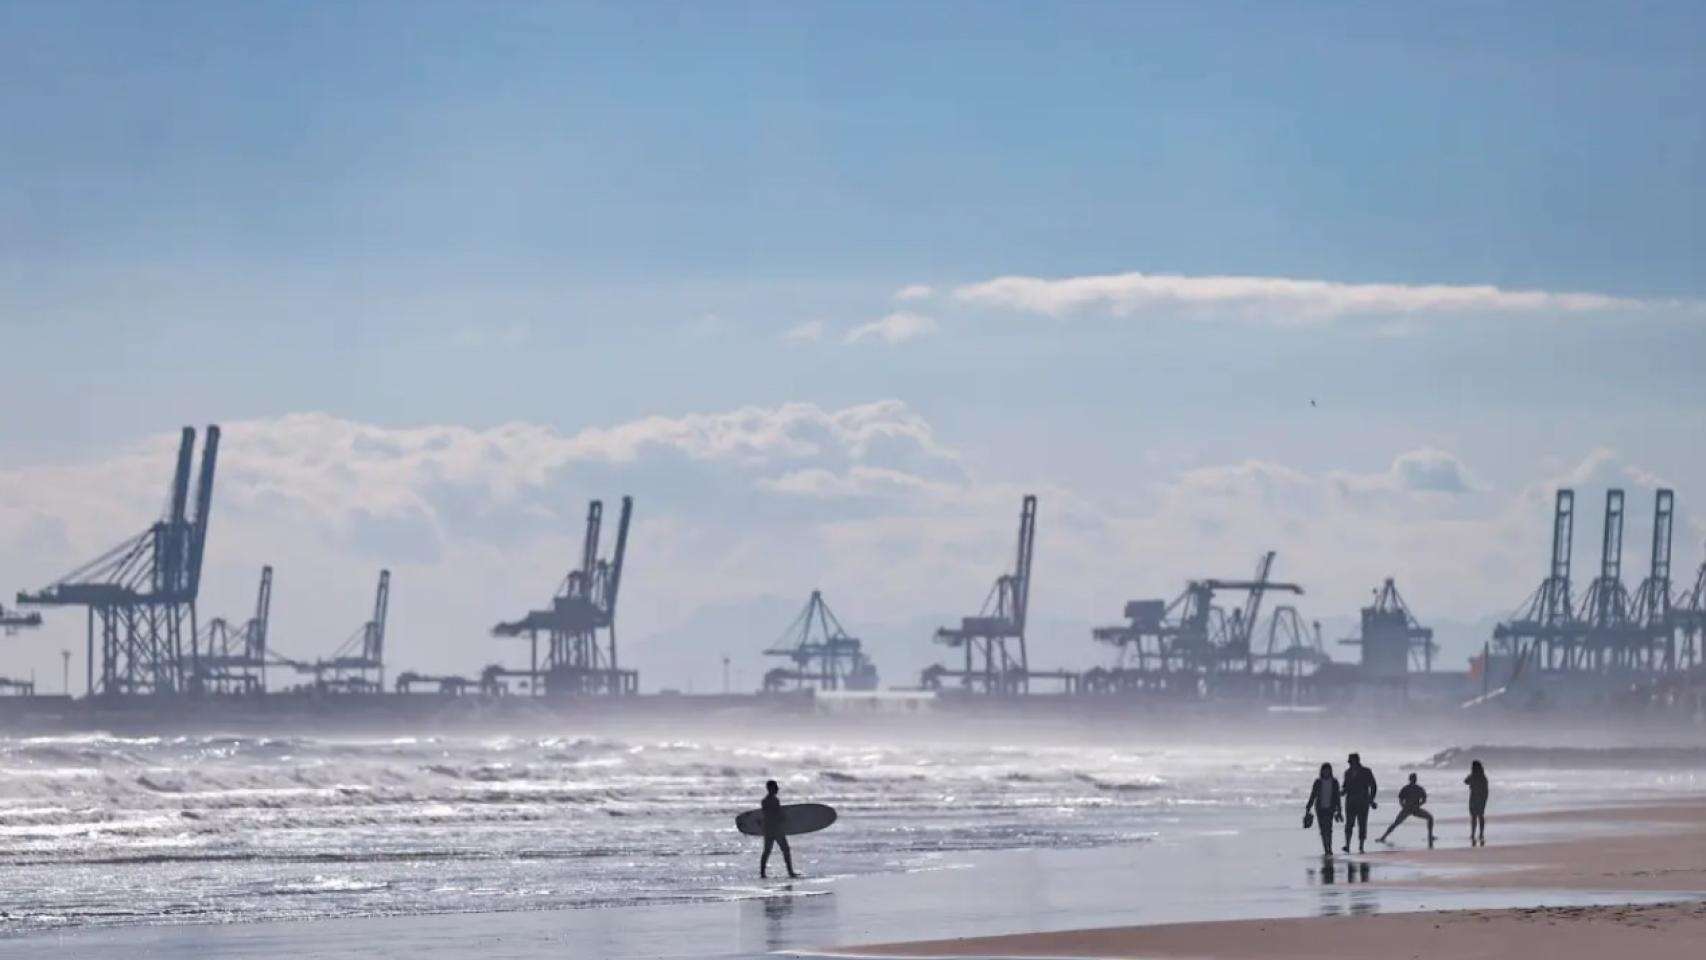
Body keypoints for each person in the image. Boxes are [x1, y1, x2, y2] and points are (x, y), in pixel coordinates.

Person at [1377, 772, 1435, 846]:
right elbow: (1423, 800)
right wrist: (1417, 805)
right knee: (1430, 818)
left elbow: (1401, 800)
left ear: (1409, 779)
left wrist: (1404, 806)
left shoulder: (1407, 788)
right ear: (1415, 779)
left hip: (1408, 809)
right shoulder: (1417, 788)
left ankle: (1383, 837)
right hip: (1413, 809)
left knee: (1396, 823)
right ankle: (1430, 836)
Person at [759, 780, 799, 879]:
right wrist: (784, 819)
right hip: (775, 829)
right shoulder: (774, 800)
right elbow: (776, 814)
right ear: (770, 788)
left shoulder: (764, 801)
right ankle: (790, 872)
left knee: (767, 851)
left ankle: (762, 873)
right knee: (785, 849)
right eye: (775, 787)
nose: (777, 788)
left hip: (768, 829)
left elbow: (766, 815)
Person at [1341, 752, 1378, 854]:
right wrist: (1339, 794)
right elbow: (1345, 788)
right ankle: (1347, 846)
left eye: (1351, 761)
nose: (1349, 764)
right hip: (1350, 801)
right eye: (1349, 762)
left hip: (1363, 801)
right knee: (1349, 824)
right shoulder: (1347, 773)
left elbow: (1373, 786)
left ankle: (1361, 847)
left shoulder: (1366, 771)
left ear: (1356, 761)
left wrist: (1371, 799)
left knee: (1362, 824)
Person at [1304, 762, 1342, 856]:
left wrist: (1339, 809)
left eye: (1328, 770)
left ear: (1330, 771)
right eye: (1324, 770)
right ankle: (1326, 848)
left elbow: (1337, 796)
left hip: (1330, 808)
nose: (1326, 772)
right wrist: (1308, 806)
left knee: (1328, 828)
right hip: (1320, 808)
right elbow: (1313, 795)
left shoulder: (1334, 782)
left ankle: (1329, 847)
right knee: (1323, 829)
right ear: (1322, 771)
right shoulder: (1318, 782)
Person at [1464, 760, 1489, 845]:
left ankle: (1474, 834)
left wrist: (1470, 776)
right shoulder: (1482, 777)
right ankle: (1479, 834)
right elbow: (1466, 781)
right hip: (1479, 797)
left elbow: (1466, 781)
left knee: (1474, 817)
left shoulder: (1476, 776)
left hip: (1475, 797)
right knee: (1479, 816)